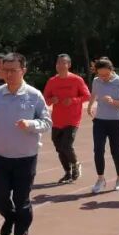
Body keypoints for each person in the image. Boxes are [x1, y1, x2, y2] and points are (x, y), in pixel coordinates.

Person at [0, 53, 51, 235]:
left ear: (23, 70)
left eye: (13, 70)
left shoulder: (34, 95)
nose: (9, 74)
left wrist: (30, 124)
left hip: (25, 158)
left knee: (22, 200)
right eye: (6, 70)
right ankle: (10, 217)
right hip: (1, 157)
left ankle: (22, 232)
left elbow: (46, 123)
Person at [43, 53, 92, 183]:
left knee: (66, 145)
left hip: (72, 119)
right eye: (58, 63)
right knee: (59, 147)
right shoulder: (52, 81)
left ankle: (76, 164)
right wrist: (51, 100)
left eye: (63, 63)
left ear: (69, 65)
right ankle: (67, 172)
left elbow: (87, 96)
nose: (60, 65)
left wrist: (73, 100)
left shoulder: (77, 80)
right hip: (57, 120)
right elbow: (45, 99)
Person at [88, 58, 119, 194]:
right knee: (98, 150)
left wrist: (113, 101)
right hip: (99, 121)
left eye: (106, 75)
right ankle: (100, 179)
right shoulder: (96, 81)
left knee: (116, 152)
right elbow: (94, 94)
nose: (103, 78)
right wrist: (89, 106)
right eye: (100, 75)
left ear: (111, 70)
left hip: (116, 122)